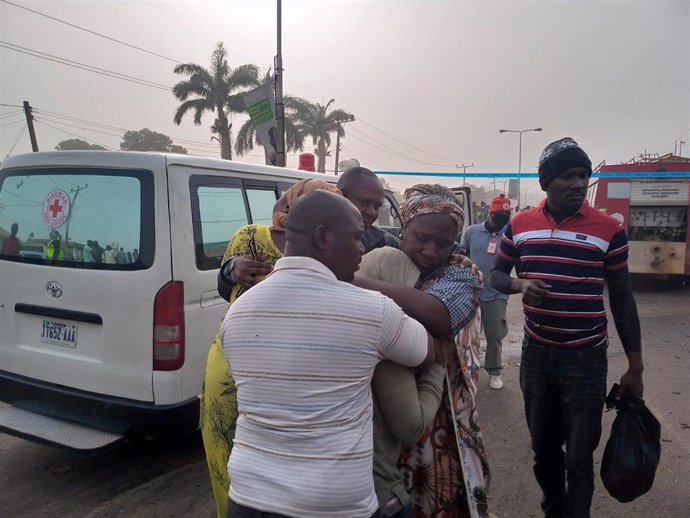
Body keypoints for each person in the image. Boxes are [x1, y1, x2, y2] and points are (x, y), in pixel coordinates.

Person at [221, 190, 434, 517]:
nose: (363, 249)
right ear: (323, 237)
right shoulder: (371, 310)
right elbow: (425, 353)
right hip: (333, 505)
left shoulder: (238, 312)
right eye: (356, 238)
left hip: (247, 498)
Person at [490, 138, 644, 518]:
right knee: (543, 450)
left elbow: (622, 299)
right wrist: (519, 285)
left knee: (579, 456)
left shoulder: (609, 229)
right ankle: (553, 510)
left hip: (586, 359)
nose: (577, 184)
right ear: (546, 183)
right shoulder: (520, 226)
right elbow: (495, 275)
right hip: (537, 355)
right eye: (567, 176)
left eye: (583, 175)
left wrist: (635, 367)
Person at [202, 179, 342, 518]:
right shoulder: (250, 236)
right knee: (227, 459)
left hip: (296, 379)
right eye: (311, 204)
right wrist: (230, 270)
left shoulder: (335, 250)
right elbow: (225, 290)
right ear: (292, 205)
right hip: (232, 368)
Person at [356, 184, 486, 517]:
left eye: (442, 244)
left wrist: (352, 281)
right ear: (404, 230)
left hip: (441, 408)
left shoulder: (461, 271)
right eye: (421, 239)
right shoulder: (388, 256)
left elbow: (437, 315)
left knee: (437, 489)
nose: (430, 251)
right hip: (390, 401)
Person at [219, 167, 400, 291]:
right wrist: (231, 270)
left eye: (377, 206)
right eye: (364, 203)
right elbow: (228, 290)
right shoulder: (256, 237)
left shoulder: (384, 243)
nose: (372, 212)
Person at [460, 193, 513, 390]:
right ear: (490, 213)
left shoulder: (510, 234)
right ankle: (468, 370)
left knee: (495, 335)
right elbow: (462, 255)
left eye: (506, 217)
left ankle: (494, 370)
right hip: (472, 292)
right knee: (469, 337)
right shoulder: (471, 232)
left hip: (497, 293)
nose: (503, 220)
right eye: (499, 215)